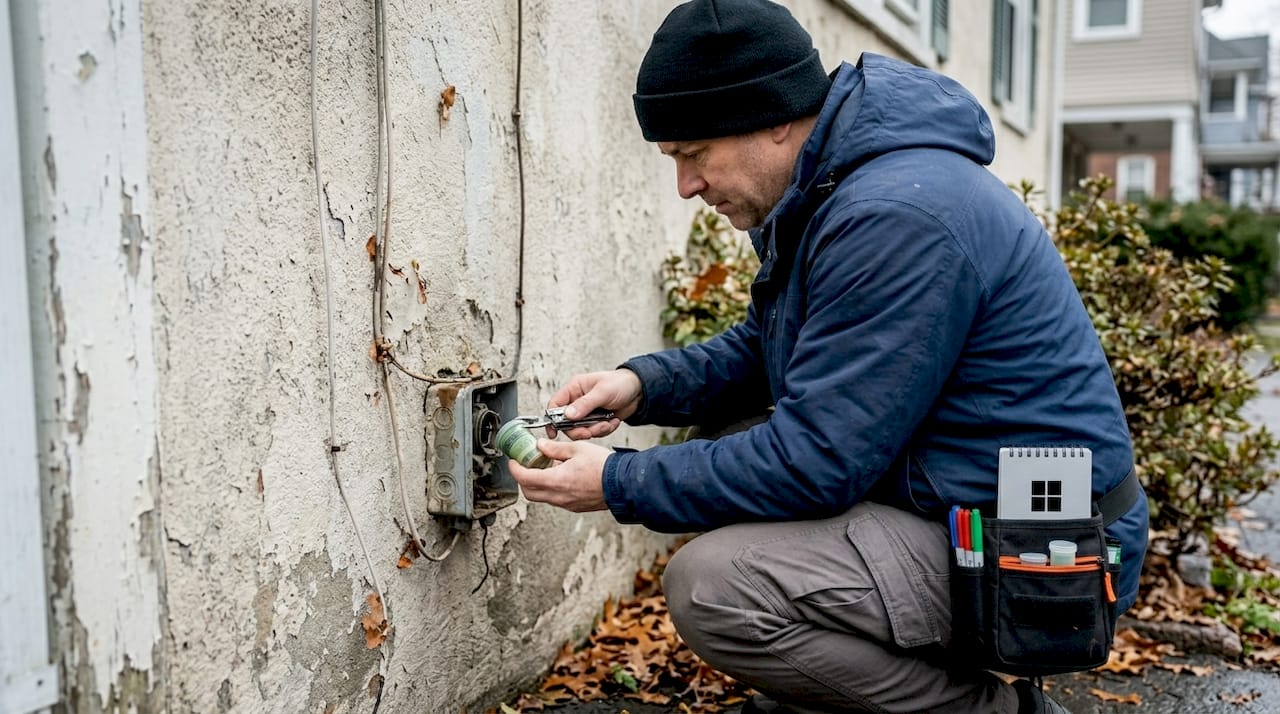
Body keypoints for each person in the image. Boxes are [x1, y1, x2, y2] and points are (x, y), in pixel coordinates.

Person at [509, 1, 1149, 712]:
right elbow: (766, 346)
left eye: (693, 154)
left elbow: (816, 464)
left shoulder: (895, 216)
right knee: (720, 446)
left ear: (775, 118)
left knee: (715, 586)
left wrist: (620, 481)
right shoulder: (838, 188)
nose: (686, 186)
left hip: (1045, 557)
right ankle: (841, 691)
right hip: (970, 506)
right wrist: (640, 385)